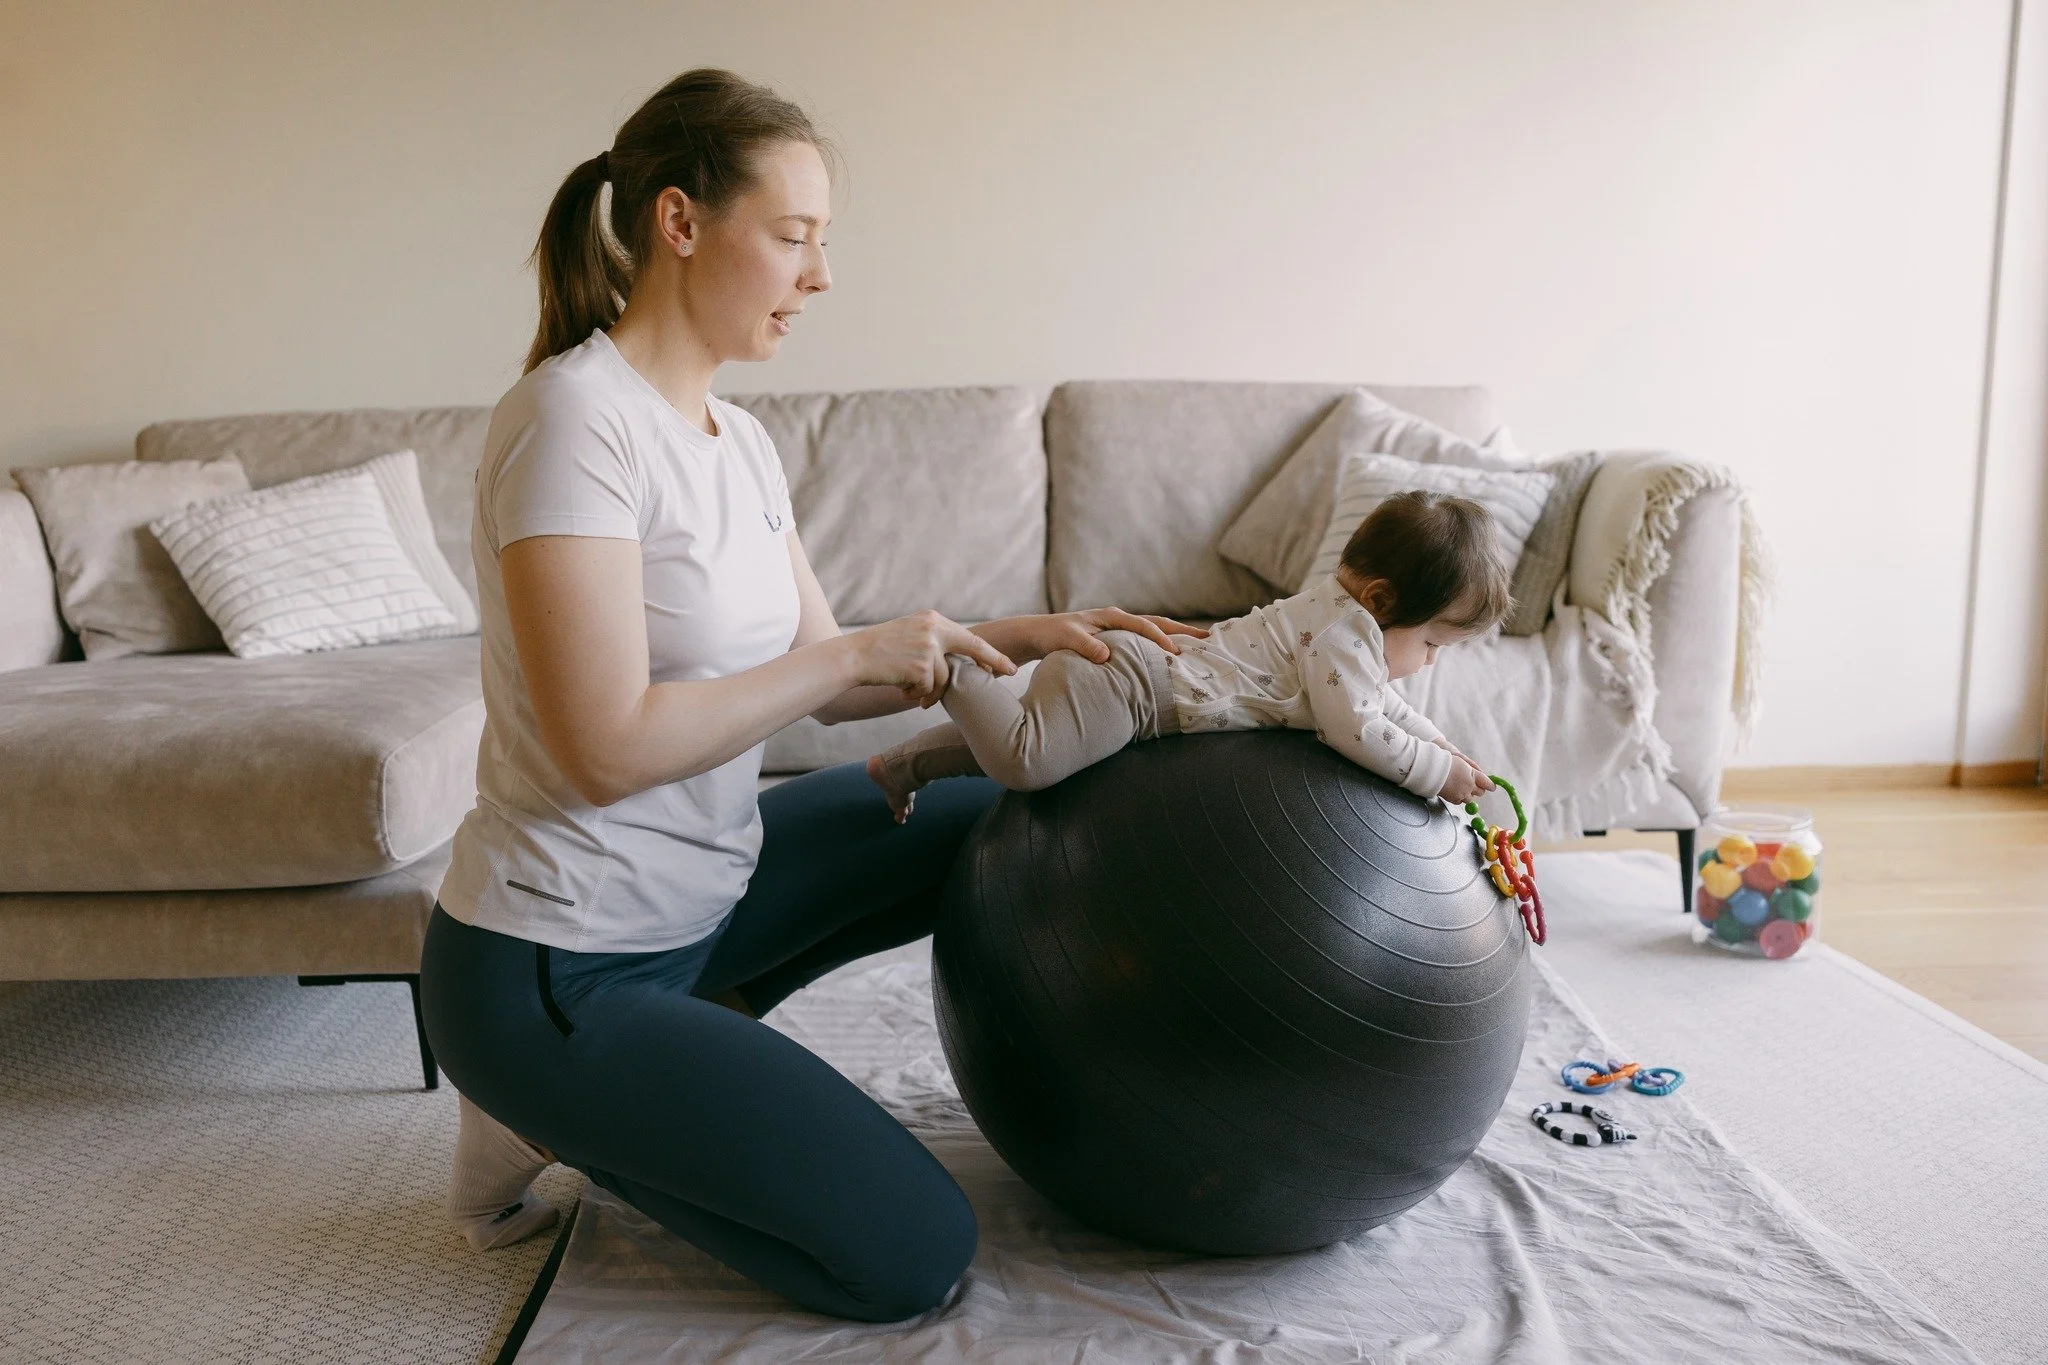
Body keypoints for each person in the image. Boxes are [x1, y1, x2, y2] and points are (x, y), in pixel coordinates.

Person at [417, 67, 1194, 1323]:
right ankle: (548, 1106)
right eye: (792, 238)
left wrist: (1020, 636)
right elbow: (604, 750)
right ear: (679, 222)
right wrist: (848, 658)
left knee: (987, 816)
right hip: (556, 963)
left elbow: (835, 673)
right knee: (906, 1257)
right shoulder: (571, 425)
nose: (818, 277)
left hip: (705, 897)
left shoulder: (740, 439)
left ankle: (668, 1063)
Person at [869, 490, 1508, 816]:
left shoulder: (1342, 621)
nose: (1428, 662)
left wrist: (1444, 748)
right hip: (1133, 687)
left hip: (1133, 673)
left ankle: (902, 765)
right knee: (1028, 761)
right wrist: (1433, 774)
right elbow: (1359, 726)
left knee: (1036, 738)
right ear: (1382, 599)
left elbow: (1386, 706)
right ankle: (952, 662)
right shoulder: (1345, 639)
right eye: (1430, 644)